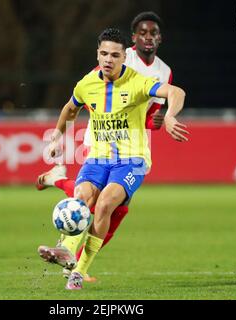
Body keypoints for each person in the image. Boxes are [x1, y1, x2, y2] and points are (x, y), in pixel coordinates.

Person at [40, 28, 188, 290]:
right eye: (104, 53)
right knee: (82, 195)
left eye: (115, 55)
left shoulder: (138, 82)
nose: (108, 59)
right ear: (97, 54)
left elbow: (176, 92)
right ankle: (65, 251)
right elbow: (70, 108)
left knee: (106, 202)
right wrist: (56, 138)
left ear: (124, 57)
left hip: (132, 160)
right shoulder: (87, 84)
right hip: (97, 157)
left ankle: (79, 271)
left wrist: (170, 115)